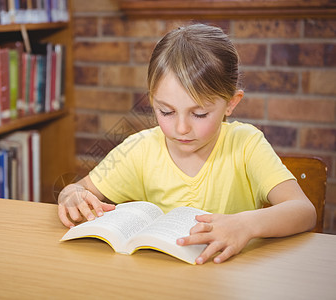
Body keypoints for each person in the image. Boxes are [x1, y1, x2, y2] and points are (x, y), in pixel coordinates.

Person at [57, 23, 316, 264]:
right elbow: (77, 189)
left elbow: (304, 211)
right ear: (152, 99)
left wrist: (245, 225)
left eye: (199, 114)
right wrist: (72, 197)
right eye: (166, 112)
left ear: (231, 103)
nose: (181, 128)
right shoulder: (140, 149)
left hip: (230, 280)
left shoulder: (246, 144)